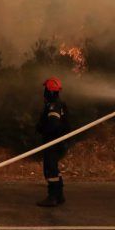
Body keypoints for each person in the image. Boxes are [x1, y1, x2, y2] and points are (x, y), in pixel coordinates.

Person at [36, 77, 70, 207]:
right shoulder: (59, 104)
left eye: (46, 90)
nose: (44, 92)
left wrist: (42, 128)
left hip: (53, 142)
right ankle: (59, 195)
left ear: (49, 91)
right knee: (54, 168)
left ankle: (53, 197)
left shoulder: (53, 106)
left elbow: (53, 125)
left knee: (50, 170)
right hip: (59, 142)